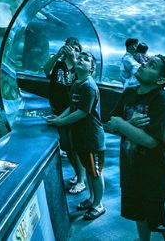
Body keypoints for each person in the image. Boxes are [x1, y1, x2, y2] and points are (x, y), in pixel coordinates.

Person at [107, 54, 165, 241]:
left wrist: (123, 125)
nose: (143, 65)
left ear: (160, 79)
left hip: (156, 177)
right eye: (146, 62)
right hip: (131, 172)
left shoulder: (162, 100)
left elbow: (151, 141)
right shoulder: (129, 92)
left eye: (151, 65)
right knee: (139, 215)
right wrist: (128, 123)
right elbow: (110, 125)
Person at [46, 52, 106, 220]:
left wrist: (61, 123)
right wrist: (58, 118)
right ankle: (92, 198)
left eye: (86, 59)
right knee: (89, 170)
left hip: (92, 138)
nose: (80, 60)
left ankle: (98, 204)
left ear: (92, 68)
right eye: (79, 58)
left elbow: (82, 112)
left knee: (95, 173)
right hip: (81, 136)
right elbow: (72, 107)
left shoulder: (88, 86)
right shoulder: (77, 83)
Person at [42, 36, 85, 194]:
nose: (70, 49)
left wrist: (74, 60)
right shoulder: (58, 63)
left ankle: (81, 180)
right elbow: (46, 70)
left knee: (73, 147)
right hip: (57, 109)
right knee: (67, 146)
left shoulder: (79, 67)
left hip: (71, 111)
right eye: (68, 46)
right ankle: (77, 174)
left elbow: (84, 79)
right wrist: (57, 55)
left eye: (74, 47)